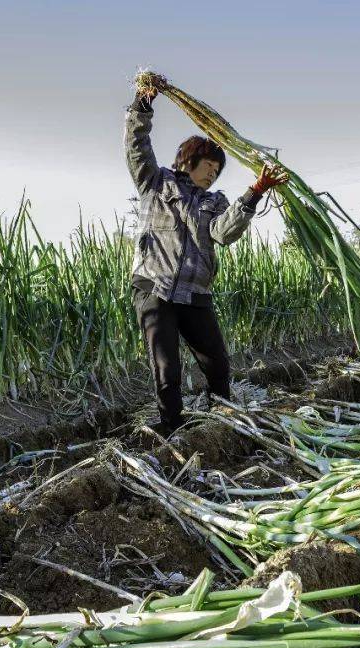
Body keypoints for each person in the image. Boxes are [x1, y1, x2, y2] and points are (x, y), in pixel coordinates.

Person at [124, 72, 289, 436]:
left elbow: (223, 232)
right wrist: (143, 104)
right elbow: (137, 144)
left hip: (196, 291)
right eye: (208, 168)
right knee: (166, 366)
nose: (212, 176)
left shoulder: (215, 202)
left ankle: (221, 419)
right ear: (189, 160)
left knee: (217, 363)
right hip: (155, 286)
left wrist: (256, 191)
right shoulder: (156, 181)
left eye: (217, 172)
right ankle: (171, 429)